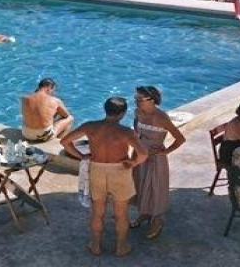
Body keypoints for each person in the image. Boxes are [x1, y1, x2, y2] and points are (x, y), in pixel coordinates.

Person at [61, 97, 147, 257]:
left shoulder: (90, 126)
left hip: (97, 170)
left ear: (105, 109)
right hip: (120, 170)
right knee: (121, 214)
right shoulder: (126, 132)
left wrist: (82, 156)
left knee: (97, 212)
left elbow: (65, 142)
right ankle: (121, 247)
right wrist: (133, 163)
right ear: (122, 113)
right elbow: (143, 154)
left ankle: (95, 246)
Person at [130, 86, 186, 239]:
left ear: (152, 100)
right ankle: (144, 214)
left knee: (155, 189)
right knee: (140, 185)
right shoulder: (137, 112)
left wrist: (165, 151)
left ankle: (157, 220)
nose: (136, 102)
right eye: (136, 98)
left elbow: (180, 138)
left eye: (139, 99)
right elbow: (136, 133)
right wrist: (133, 154)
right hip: (140, 155)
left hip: (155, 159)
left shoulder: (161, 117)